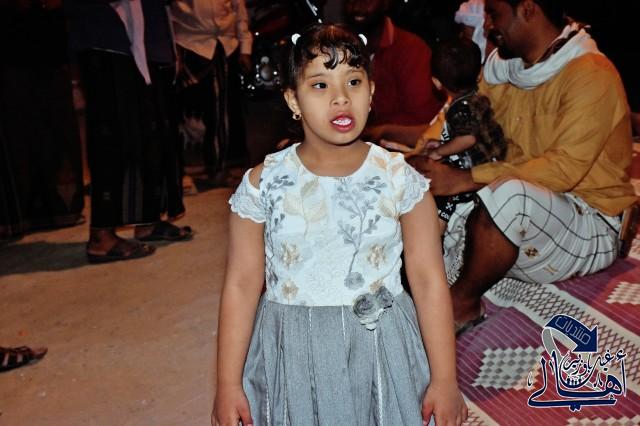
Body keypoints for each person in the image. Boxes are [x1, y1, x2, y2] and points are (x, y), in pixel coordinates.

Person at [212, 24, 467, 426]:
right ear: (293, 100)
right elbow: (242, 284)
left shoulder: (400, 179)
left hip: (382, 347)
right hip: (294, 352)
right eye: (320, 85)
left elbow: (428, 281)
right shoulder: (264, 184)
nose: (341, 97)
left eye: (353, 81)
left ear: (372, 92)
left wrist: (446, 380)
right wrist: (227, 385)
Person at [399, 0, 637, 334]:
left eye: (495, 14)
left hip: (591, 219)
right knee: (423, 194)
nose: (487, 25)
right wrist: (425, 156)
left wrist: (466, 179)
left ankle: (461, 305)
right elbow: (460, 116)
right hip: (522, 218)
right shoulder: (504, 69)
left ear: (527, 10)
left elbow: (563, 169)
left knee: (507, 196)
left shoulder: (591, 75)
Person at [66, 0, 192, 263]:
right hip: (106, 37)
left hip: (144, 41)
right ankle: (101, 235)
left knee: (149, 137)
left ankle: (147, 220)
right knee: (113, 137)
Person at [395, 38, 506, 234]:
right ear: (479, 74)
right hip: (492, 159)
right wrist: (441, 144)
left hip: (475, 168)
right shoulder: (478, 98)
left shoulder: (459, 109)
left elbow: (468, 139)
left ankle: (434, 235)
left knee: (442, 197)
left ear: (436, 82)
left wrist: (440, 151)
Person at [0, 0, 84, 239]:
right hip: (11, 48)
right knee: (19, 134)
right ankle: (24, 211)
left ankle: (59, 209)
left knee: (55, 129)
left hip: (49, 47)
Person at [171, 0, 253, 187]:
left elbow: (239, 12)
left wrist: (245, 47)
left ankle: (219, 168)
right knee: (185, 113)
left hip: (224, 47)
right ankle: (183, 169)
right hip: (188, 46)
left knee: (221, 113)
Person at [344, 0, 442, 127]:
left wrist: (376, 130)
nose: (357, 6)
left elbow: (423, 118)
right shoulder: (337, 50)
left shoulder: (410, 49)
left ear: (385, 3)